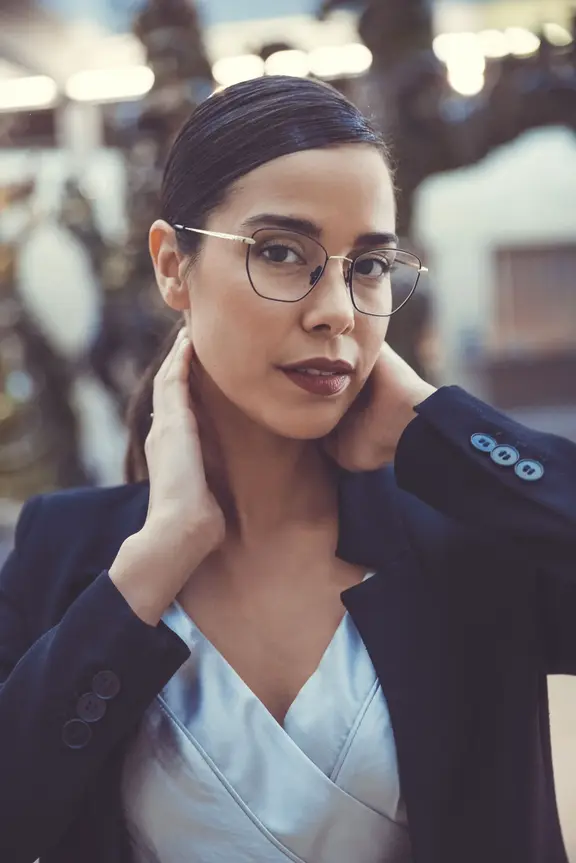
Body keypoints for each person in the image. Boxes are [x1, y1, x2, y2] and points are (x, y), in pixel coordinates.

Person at [0, 76, 574, 863]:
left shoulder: (463, 536)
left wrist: (439, 430)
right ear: (172, 265)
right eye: (279, 252)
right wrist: (155, 560)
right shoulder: (65, 551)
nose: (336, 308)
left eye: (368, 265)